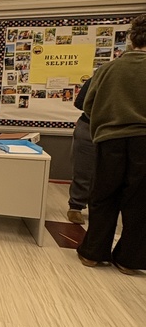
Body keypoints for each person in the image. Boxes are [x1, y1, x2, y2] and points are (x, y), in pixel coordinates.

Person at [77, 14, 146, 274]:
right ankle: (130, 260)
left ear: (131, 38)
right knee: (140, 201)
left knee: (103, 196)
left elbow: (88, 105)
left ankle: (93, 253)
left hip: (110, 139)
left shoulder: (108, 69)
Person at [67, 75, 94, 224]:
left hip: (123, 128)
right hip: (90, 124)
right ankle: (76, 206)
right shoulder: (104, 73)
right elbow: (80, 102)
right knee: (83, 169)